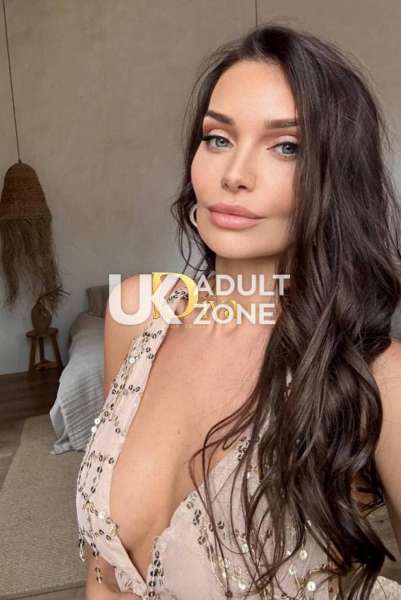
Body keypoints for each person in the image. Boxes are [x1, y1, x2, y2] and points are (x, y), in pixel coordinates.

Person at [76, 22, 401, 599]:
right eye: (218, 138)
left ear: (337, 178)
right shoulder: (137, 313)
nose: (233, 176)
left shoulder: (378, 376)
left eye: (287, 146)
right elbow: (103, 568)